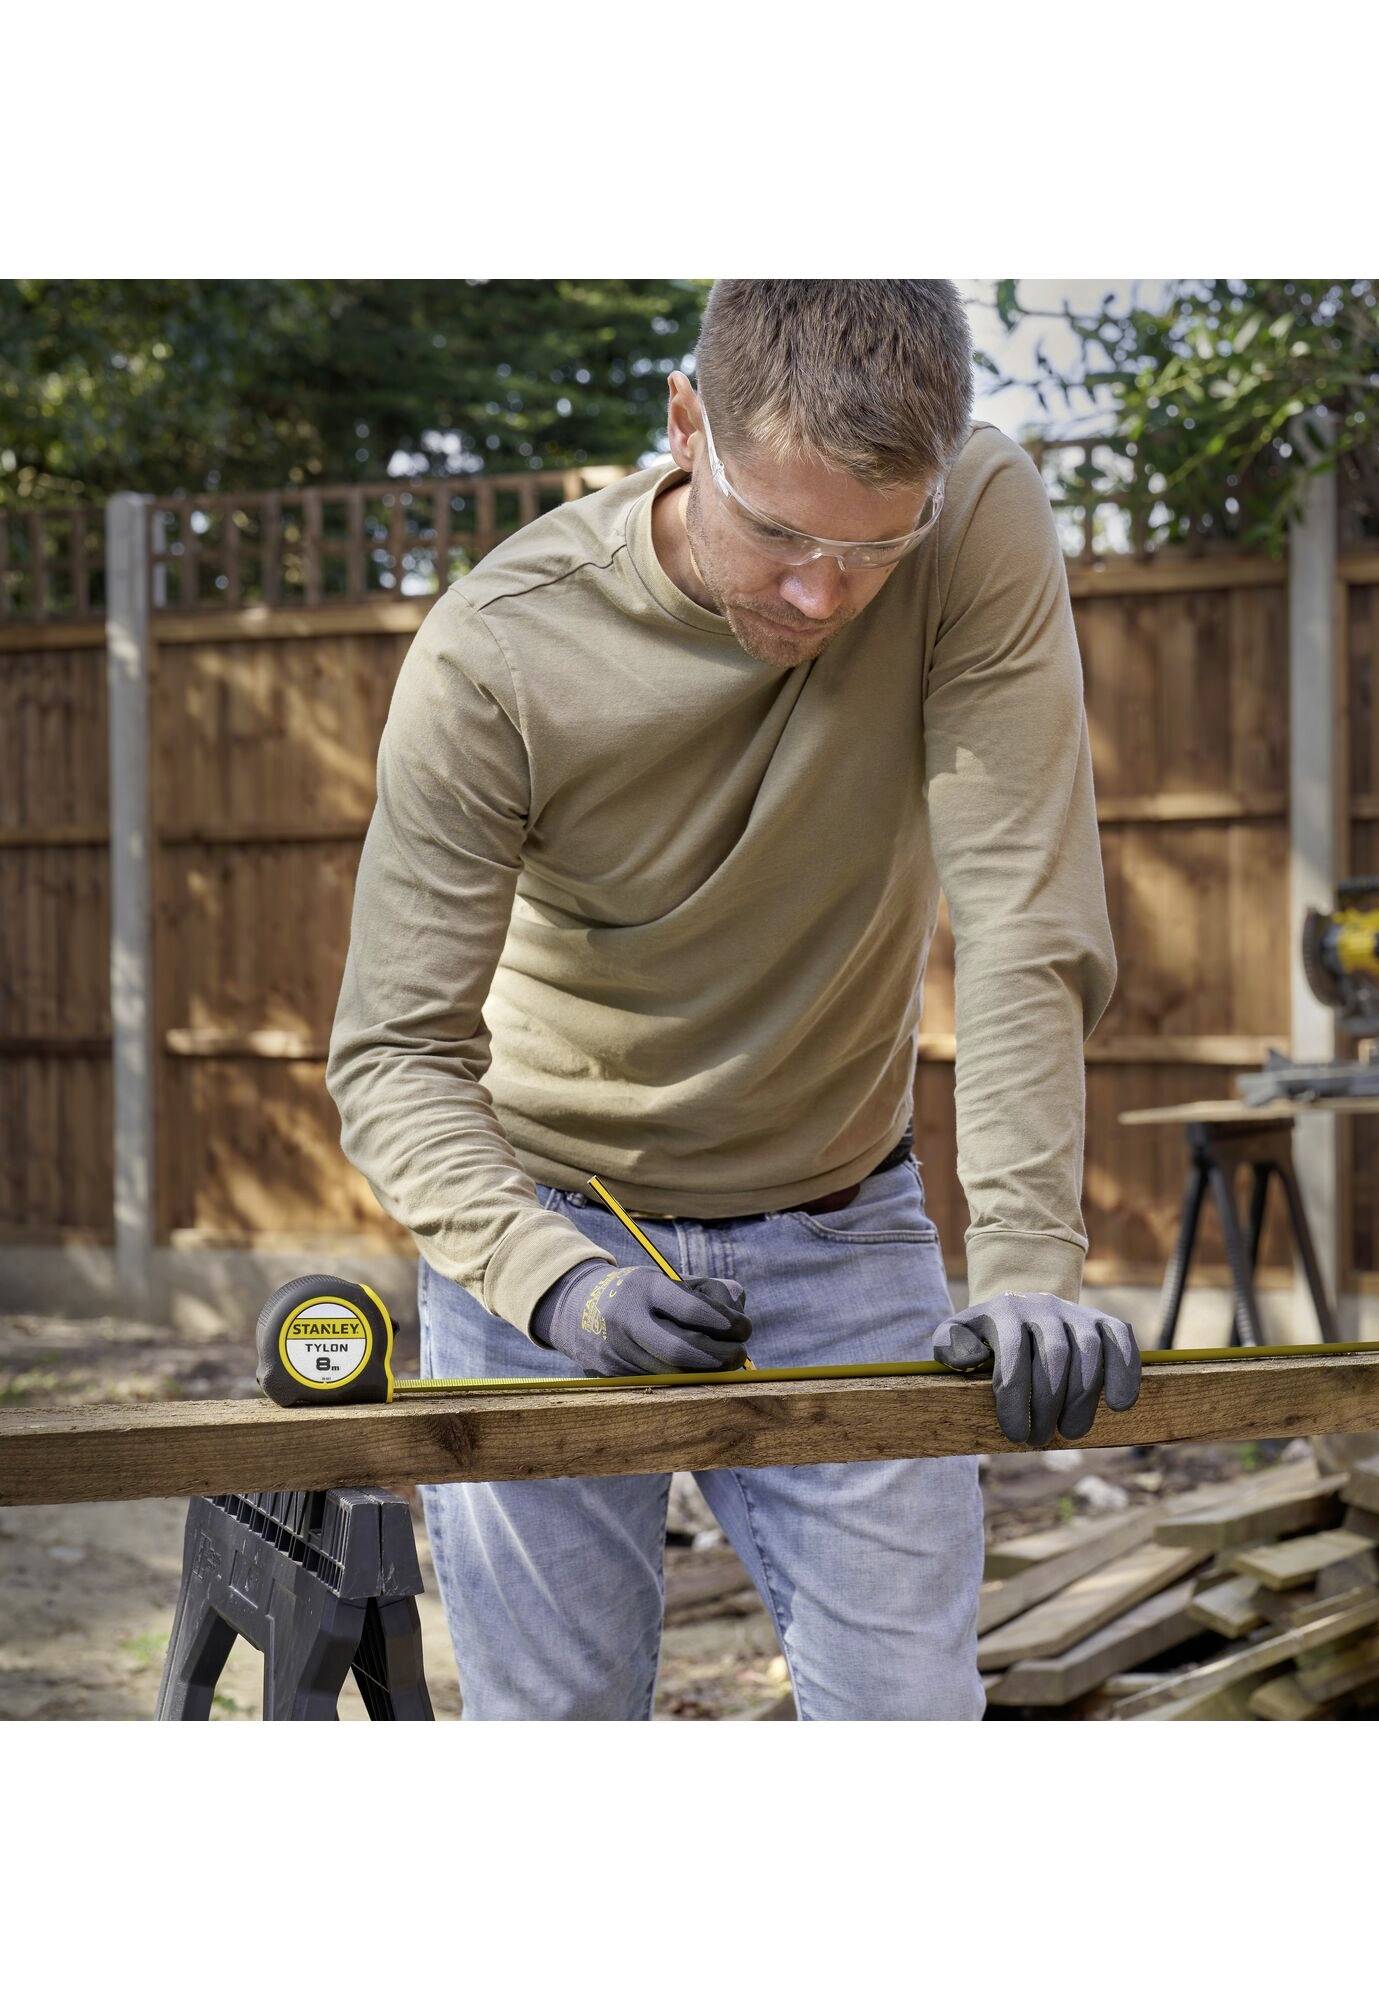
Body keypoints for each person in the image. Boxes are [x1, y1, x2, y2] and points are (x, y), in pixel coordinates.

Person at [326, 280, 1139, 1719]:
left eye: (873, 546)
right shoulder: (497, 653)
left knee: (911, 1723)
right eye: (780, 533)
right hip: (550, 1228)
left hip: (843, 1217)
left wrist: (1028, 1270)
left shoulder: (978, 521)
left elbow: (1025, 917)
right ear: (687, 427)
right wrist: (553, 1285)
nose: (823, 594)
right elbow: (394, 1055)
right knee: (560, 1735)